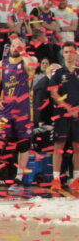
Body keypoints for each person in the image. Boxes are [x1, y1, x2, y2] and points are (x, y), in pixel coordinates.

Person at [0, 36, 36, 193]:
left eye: (18, 46)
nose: (15, 48)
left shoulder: (29, 60)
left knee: (24, 145)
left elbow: (31, 67)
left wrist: (23, 51)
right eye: (13, 46)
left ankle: (19, 179)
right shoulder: (3, 63)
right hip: (6, 110)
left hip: (24, 110)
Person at [47, 41, 79, 195]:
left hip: (77, 115)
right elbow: (54, 93)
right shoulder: (58, 73)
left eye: (71, 52)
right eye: (66, 52)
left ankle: (76, 178)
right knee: (59, 146)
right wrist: (68, 108)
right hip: (61, 114)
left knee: (77, 146)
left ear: (76, 53)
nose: (69, 55)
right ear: (63, 54)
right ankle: (56, 179)